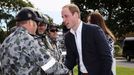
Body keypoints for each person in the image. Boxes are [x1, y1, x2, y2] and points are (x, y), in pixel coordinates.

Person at [0, 7, 68, 75]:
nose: (36, 28)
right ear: (30, 22)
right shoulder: (28, 40)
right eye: (37, 24)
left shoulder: (6, 41)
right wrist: (67, 72)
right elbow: (50, 66)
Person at [61, 4, 113, 75]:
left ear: (76, 15)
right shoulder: (68, 37)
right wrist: (59, 70)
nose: (63, 20)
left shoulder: (94, 30)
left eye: (66, 16)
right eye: (62, 17)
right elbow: (70, 60)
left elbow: (107, 58)